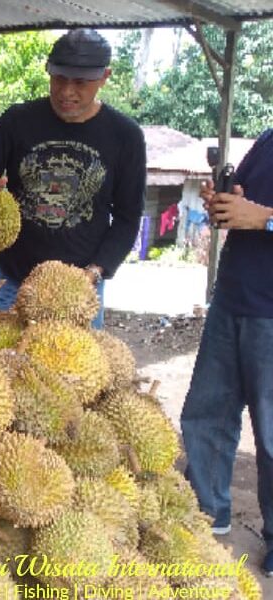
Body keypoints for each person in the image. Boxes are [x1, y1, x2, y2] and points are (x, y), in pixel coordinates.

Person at [0, 28, 146, 329]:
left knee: (73, 362)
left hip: (79, 287)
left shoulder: (125, 136)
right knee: (0, 358)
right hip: (12, 281)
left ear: (104, 77)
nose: (66, 92)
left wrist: (94, 272)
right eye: (59, 79)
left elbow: (128, 217)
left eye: (80, 82)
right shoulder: (17, 120)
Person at [180, 129, 273, 575]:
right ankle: (205, 513)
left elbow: (260, 215)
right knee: (206, 413)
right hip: (233, 298)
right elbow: (245, 204)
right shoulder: (268, 140)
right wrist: (226, 202)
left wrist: (265, 218)